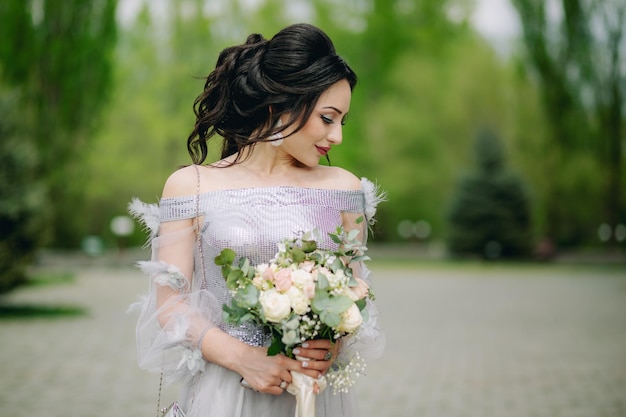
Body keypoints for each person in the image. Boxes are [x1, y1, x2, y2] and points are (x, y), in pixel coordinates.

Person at [129, 23, 385, 417]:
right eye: (327, 118)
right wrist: (245, 358)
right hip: (228, 390)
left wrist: (332, 342)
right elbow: (171, 306)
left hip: (314, 392)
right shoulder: (191, 186)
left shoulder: (344, 188)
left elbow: (356, 285)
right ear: (280, 104)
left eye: (342, 122)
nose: (337, 137)